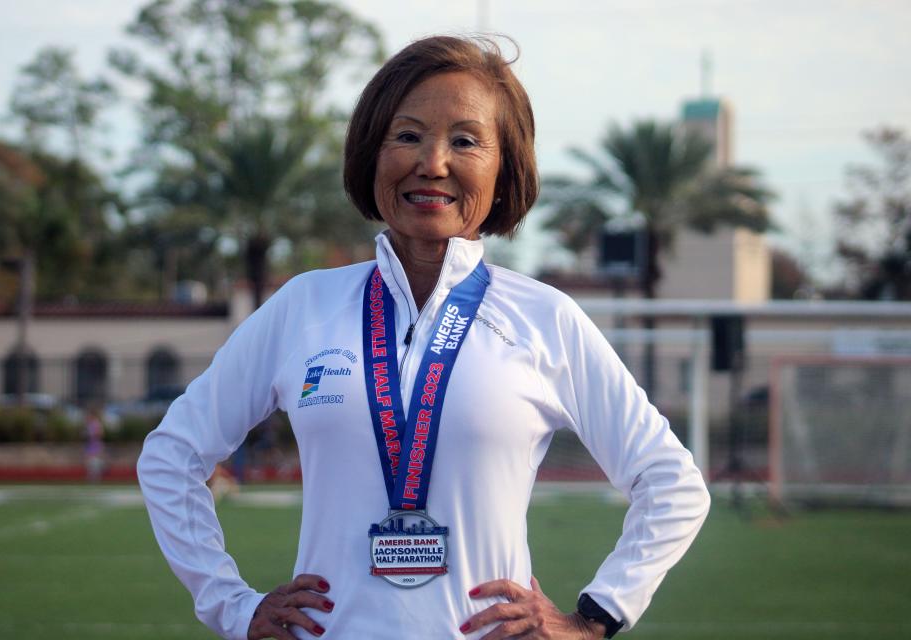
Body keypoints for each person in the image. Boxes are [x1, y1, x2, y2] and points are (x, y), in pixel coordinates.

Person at [137, 35, 710, 640]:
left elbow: (670, 482)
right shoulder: (304, 307)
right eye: (407, 135)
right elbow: (172, 457)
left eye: (465, 141)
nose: (432, 163)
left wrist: (594, 618)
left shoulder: (544, 318)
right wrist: (234, 605)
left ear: (504, 166)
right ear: (370, 153)